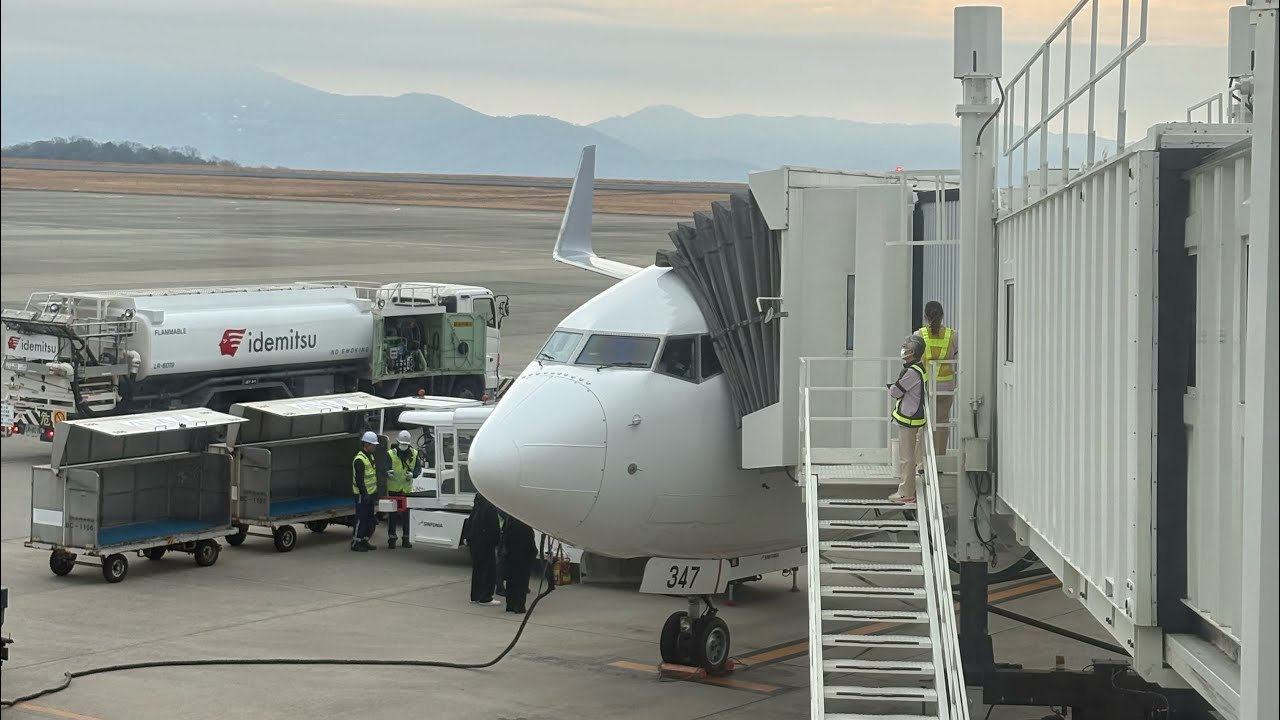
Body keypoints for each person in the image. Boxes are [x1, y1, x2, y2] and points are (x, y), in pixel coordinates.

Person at [914, 301, 958, 474]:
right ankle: (939, 461)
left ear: (925, 316)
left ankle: (921, 463)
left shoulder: (919, 335)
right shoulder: (952, 335)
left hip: (925, 387)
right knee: (941, 424)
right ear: (942, 315)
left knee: (922, 425)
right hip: (945, 387)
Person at [888, 334, 928, 504]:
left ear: (912, 352)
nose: (903, 348)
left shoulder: (911, 372)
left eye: (906, 346)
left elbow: (896, 392)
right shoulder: (920, 368)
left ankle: (905, 492)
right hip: (914, 418)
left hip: (908, 419)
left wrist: (893, 387)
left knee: (906, 457)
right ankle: (907, 490)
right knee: (911, 456)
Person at [463, 493, 502, 605]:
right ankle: (486, 597)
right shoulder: (490, 507)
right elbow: (493, 526)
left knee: (477, 570)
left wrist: (467, 537)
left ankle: (475, 595)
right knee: (489, 570)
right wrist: (496, 541)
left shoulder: (477, 506)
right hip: (485, 542)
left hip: (475, 541)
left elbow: (470, 522)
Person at [386, 430, 422, 549]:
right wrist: (387, 472)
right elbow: (383, 467)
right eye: (402, 444)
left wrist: (413, 474)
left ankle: (406, 539)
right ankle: (392, 539)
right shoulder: (390, 454)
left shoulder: (414, 454)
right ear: (397, 442)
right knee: (392, 516)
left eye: (405, 445)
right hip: (393, 489)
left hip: (406, 490)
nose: (403, 447)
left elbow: (418, 469)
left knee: (406, 517)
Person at [500, 513, 536, 614]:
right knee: (522, 583)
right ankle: (519, 606)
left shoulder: (509, 523)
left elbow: (505, 540)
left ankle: (510, 604)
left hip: (511, 557)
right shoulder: (526, 527)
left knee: (511, 581)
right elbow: (530, 546)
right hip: (523, 558)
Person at [351, 431, 380, 552]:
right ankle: (356, 542)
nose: (375, 447)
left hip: (370, 494)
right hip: (362, 495)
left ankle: (364, 540)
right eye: (373, 445)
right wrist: (365, 494)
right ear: (366, 444)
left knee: (369, 519)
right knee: (361, 518)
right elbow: (359, 480)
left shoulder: (370, 456)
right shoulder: (359, 459)